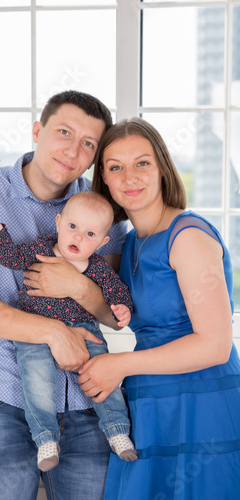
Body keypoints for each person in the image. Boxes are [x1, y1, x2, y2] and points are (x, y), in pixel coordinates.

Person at [0, 90, 129, 500]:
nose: (72, 149)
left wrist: (79, 286)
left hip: (85, 402)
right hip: (1, 400)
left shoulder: (102, 213)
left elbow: (114, 313)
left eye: (88, 144)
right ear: (37, 130)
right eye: (64, 132)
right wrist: (51, 332)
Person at [78, 117, 240, 499]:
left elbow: (215, 345)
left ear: (163, 168)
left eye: (142, 163)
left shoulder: (188, 236)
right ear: (103, 178)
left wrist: (118, 365)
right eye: (116, 167)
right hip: (150, 402)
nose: (129, 177)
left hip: (202, 405)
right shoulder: (131, 242)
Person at [0, 191, 138, 472]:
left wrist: (122, 308)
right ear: (58, 223)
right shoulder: (40, 250)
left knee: (101, 374)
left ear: (103, 242)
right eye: (72, 227)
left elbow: (117, 295)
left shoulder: (99, 269)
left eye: (90, 234)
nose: (78, 238)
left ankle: (117, 429)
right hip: (35, 329)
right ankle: (46, 438)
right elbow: (9, 257)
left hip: (85, 329)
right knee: (38, 380)